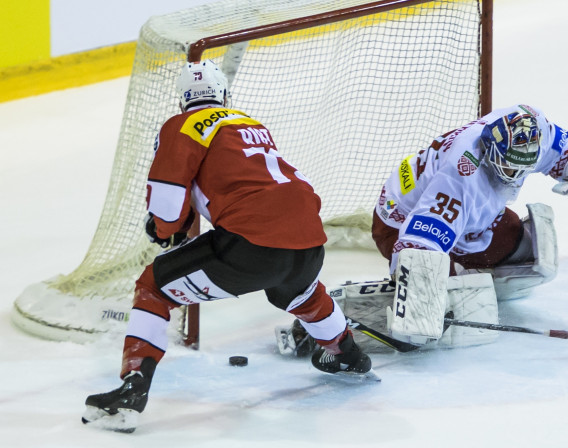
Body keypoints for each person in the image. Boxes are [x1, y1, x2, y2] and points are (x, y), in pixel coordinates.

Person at [81, 60, 374, 433]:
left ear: (184, 99)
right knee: (300, 294)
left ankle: (131, 390)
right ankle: (348, 355)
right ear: (222, 95)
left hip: (251, 244)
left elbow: (168, 206)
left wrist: (161, 227)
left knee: (153, 286)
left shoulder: (182, 124)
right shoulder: (250, 124)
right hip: (311, 240)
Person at [277, 103, 568, 354]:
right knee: (427, 315)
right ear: (490, 145)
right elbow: (416, 248)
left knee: (532, 252)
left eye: (522, 167)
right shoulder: (460, 179)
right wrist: (426, 297)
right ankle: (327, 327)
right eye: (506, 165)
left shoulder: (526, 126)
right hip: (399, 224)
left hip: (471, 219)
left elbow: (565, 154)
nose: (513, 175)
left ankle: (470, 277)